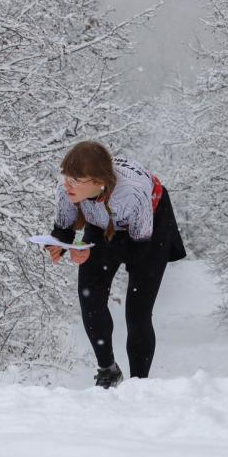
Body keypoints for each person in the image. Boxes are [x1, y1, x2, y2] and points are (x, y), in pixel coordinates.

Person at [45, 141, 186, 389]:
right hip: (102, 225)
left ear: (99, 181)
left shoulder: (131, 193)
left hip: (150, 228)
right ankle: (108, 369)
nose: (67, 184)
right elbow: (63, 231)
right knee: (89, 297)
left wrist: (96, 253)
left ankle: (138, 384)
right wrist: (64, 247)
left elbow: (139, 249)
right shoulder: (66, 189)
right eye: (66, 177)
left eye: (76, 180)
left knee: (137, 311)